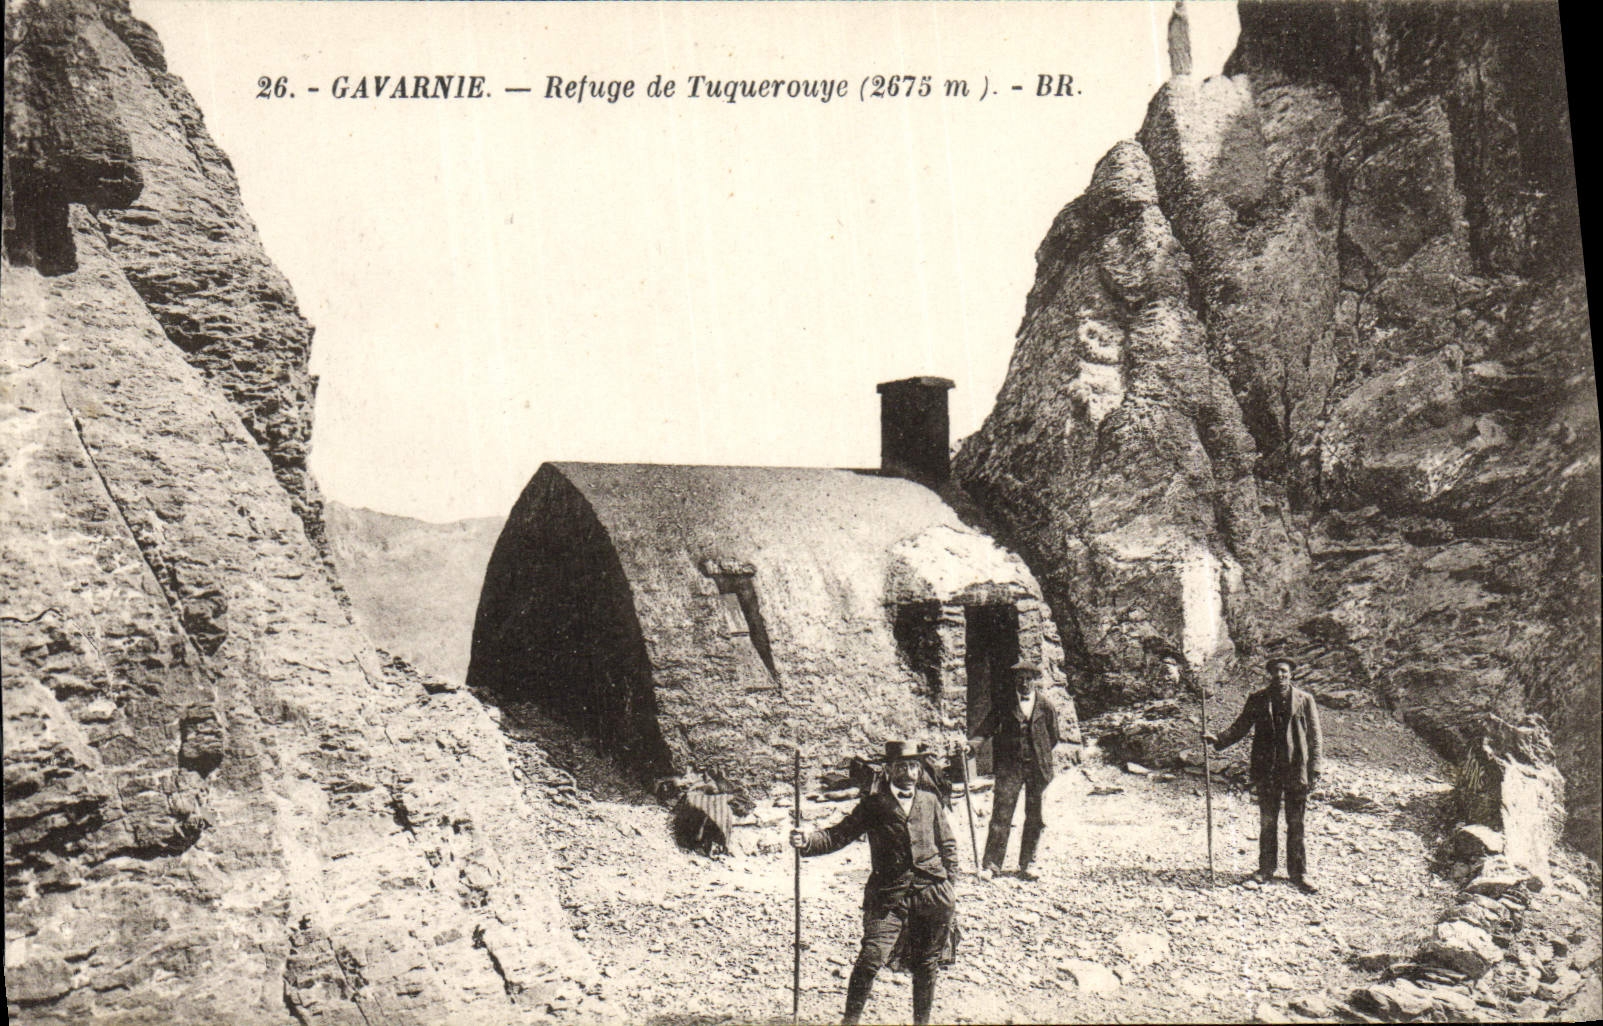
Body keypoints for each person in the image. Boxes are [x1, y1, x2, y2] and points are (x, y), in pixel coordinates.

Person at [790, 741, 959, 1025]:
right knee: (871, 958)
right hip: (888, 896)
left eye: (914, 766)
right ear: (889, 769)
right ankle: (850, 1021)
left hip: (932, 894)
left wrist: (949, 885)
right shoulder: (873, 804)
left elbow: (948, 845)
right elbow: (838, 835)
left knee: (927, 965)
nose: (909, 772)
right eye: (902, 766)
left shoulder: (930, 801)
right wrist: (807, 841)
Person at [1206, 656, 1324, 893]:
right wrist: (1218, 739)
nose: (1280, 675)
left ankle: (1299, 873)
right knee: (1268, 823)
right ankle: (1265, 870)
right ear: (1270, 674)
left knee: (1296, 823)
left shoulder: (1305, 700)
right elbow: (1241, 726)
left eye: (1284, 671)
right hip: (1267, 770)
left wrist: (1316, 768)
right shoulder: (1258, 699)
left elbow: (1315, 736)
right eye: (1276, 672)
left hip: (1295, 769)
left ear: (1291, 674)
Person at [967, 658, 1061, 881]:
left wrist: (1039, 753)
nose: (1025, 683)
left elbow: (1053, 736)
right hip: (1010, 768)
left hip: (1037, 769)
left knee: (1035, 816)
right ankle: (991, 865)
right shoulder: (1004, 704)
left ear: (1035, 681)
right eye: (1020, 679)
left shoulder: (1046, 706)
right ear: (1015, 681)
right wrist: (971, 746)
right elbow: (985, 728)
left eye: (1029, 679)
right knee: (1002, 814)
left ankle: (1028, 863)